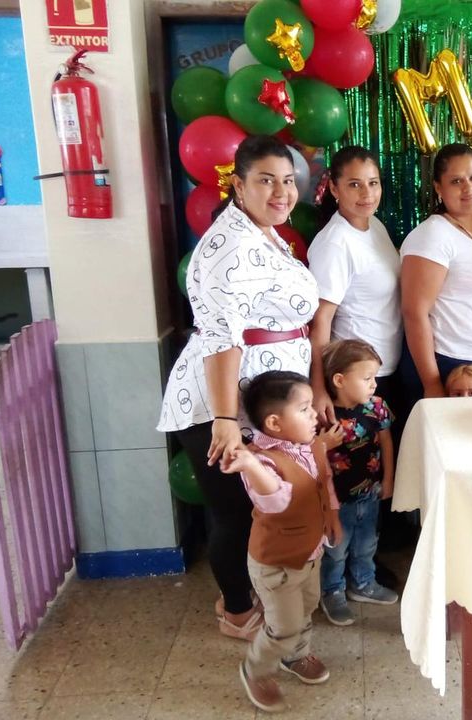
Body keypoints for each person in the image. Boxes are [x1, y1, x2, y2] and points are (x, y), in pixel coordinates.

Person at [157, 135, 319, 641]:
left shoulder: (262, 232)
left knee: (254, 508)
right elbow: (221, 337)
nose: (281, 192)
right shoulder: (231, 244)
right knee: (235, 513)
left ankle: (249, 597)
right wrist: (226, 419)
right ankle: (236, 613)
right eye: (266, 180)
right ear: (239, 186)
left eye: (287, 180)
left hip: (255, 397)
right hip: (223, 402)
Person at [221, 371, 340, 712]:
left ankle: (295, 656)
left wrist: (331, 517)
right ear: (274, 422)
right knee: (284, 626)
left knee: (307, 607)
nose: (315, 414)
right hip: (277, 564)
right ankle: (255, 669)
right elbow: (276, 501)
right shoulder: (260, 461)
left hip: (309, 553)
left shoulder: (308, 445)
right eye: (304, 409)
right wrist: (250, 466)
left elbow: (323, 481)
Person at [399, 143, 472, 401]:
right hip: (448, 362)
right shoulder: (432, 234)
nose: (468, 187)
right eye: (456, 181)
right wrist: (431, 382)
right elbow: (414, 312)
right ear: (439, 188)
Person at [307, 146, 402, 425]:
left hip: (384, 367)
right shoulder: (336, 242)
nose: (367, 193)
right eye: (354, 184)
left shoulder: (375, 226)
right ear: (334, 189)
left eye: (373, 183)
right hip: (354, 380)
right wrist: (318, 388)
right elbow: (320, 321)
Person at [317, 339, 397, 626]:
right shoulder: (323, 417)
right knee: (335, 550)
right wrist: (322, 445)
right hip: (336, 501)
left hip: (370, 492)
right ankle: (332, 591)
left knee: (367, 543)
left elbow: (386, 442)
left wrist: (388, 478)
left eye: (375, 377)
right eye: (367, 378)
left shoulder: (377, 407)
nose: (374, 384)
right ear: (339, 380)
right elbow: (311, 458)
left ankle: (363, 583)